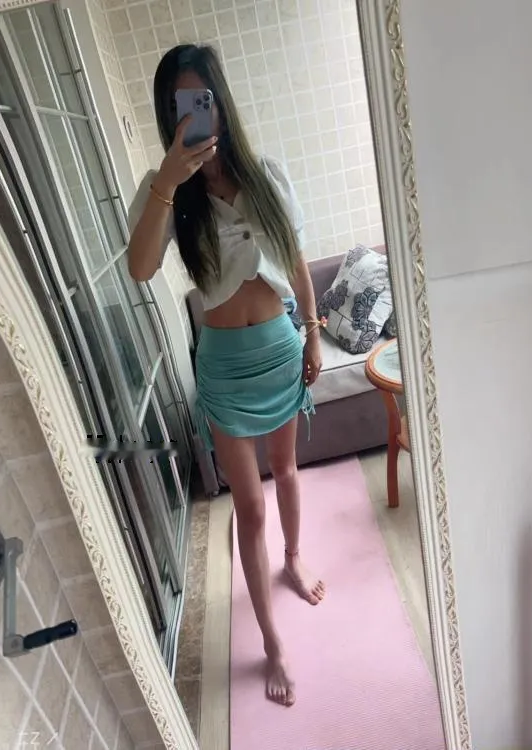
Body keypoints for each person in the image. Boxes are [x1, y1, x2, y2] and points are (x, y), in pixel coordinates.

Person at [127, 44, 326, 707]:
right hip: (225, 368)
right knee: (249, 504)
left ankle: (293, 558)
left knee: (287, 470)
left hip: (279, 348)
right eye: (177, 105)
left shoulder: (265, 176)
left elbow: (296, 260)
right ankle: (271, 642)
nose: (191, 114)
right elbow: (140, 268)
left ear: (219, 100)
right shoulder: (166, 193)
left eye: (200, 99)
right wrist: (167, 178)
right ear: (168, 115)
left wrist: (314, 332)